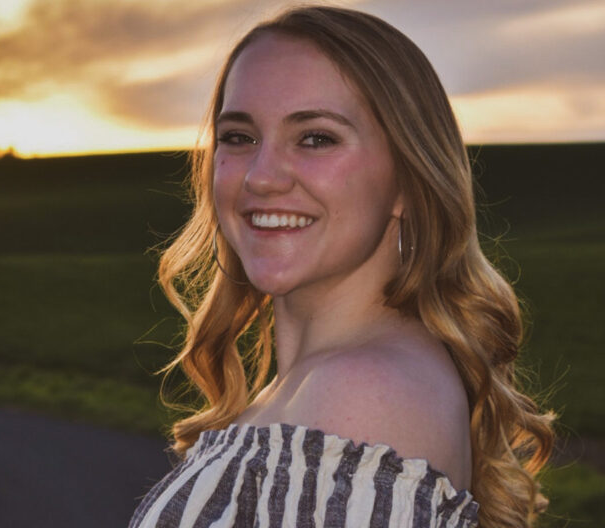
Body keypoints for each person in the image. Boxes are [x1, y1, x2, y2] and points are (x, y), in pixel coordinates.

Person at [129, 6, 554, 528]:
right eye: (239, 137)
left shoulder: (364, 393)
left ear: (407, 182)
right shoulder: (311, 388)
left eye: (316, 138)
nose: (262, 177)